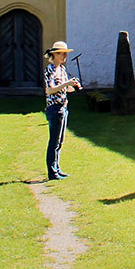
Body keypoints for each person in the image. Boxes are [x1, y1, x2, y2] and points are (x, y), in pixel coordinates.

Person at [43, 41, 80, 180]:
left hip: (63, 107)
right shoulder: (50, 70)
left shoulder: (62, 69)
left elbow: (65, 89)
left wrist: (74, 86)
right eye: (63, 54)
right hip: (55, 108)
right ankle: (52, 172)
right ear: (55, 54)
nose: (65, 56)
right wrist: (67, 83)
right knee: (54, 141)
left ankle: (57, 168)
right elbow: (50, 90)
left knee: (60, 141)